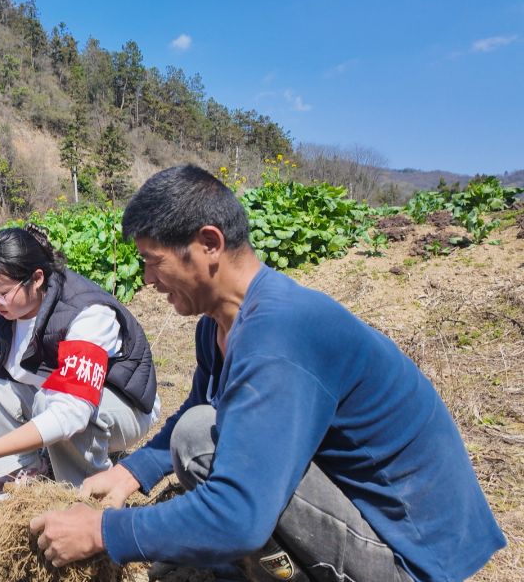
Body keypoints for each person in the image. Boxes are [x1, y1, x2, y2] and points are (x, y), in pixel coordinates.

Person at [29, 165, 506, 581]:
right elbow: (200, 406)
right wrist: (131, 472)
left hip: (412, 555)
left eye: (154, 263)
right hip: (373, 523)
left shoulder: (279, 335)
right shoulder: (222, 322)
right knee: (198, 429)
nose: (148, 281)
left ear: (209, 243)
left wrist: (104, 531)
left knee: (201, 441)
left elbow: (239, 518)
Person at [0, 226, 160, 502]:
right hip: (50, 397)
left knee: (54, 401)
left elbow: (72, 411)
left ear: (36, 279)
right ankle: (21, 468)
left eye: (0, 292)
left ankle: (84, 490)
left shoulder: (87, 313)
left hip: (121, 407)